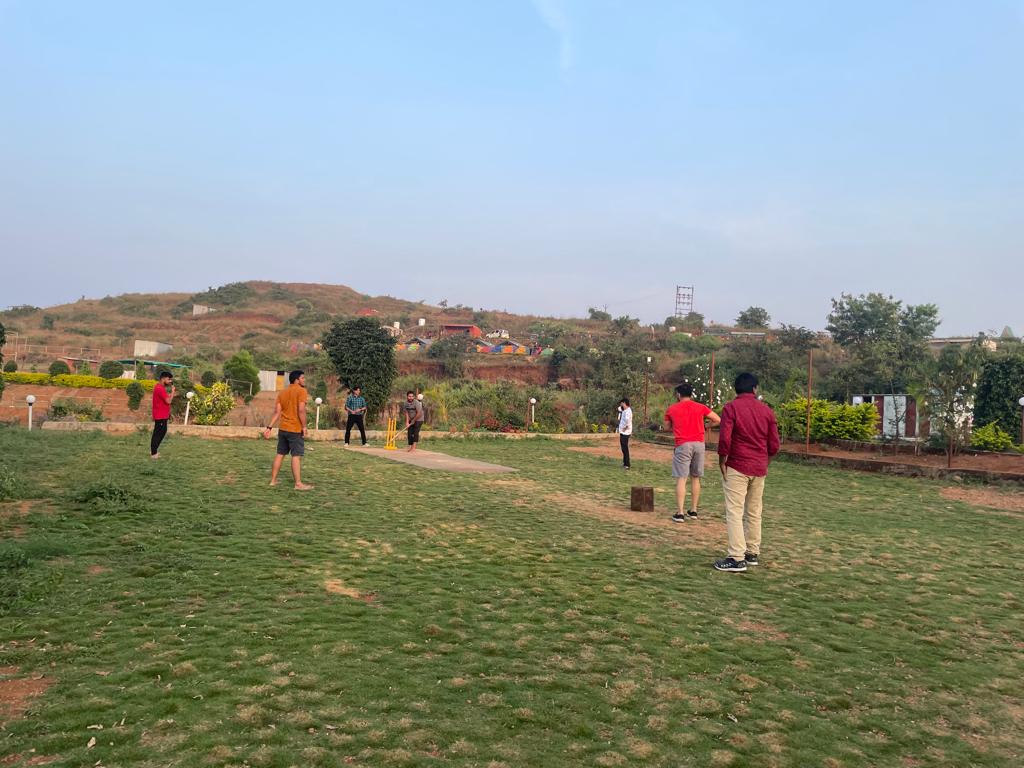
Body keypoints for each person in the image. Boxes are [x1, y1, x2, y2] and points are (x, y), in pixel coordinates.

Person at [714, 372, 779, 573]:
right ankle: (752, 552)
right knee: (754, 511)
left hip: (737, 465)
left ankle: (736, 557)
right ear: (754, 388)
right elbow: (774, 445)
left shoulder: (731, 408)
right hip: (759, 468)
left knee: (734, 511)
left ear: (736, 389)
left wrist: (722, 459)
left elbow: (725, 438)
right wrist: (765, 462)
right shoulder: (767, 411)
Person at [664, 382, 721, 522]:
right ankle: (694, 510)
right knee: (695, 477)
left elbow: (666, 427)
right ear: (691, 394)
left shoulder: (672, 409)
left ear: (678, 394)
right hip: (699, 444)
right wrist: (706, 426)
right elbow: (717, 419)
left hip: (683, 444)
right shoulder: (700, 407)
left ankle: (680, 513)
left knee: (681, 478)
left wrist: (676, 426)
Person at [264, 370, 313, 490]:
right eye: (302, 378)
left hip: (283, 429)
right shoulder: (302, 391)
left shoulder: (282, 392)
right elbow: (301, 410)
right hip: (295, 429)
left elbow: (277, 412)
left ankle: (273, 481)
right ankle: (298, 484)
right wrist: (304, 426)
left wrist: (269, 427)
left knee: (280, 454)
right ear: (296, 380)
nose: (304, 380)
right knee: (296, 456)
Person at [150, 370, 175, 459]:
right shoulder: (159, 388)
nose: (170, 381)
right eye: (168, 379)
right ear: (163, 379)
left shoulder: (160, 387)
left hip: (162, 415)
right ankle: (153, 453)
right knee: (157, 433)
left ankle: (154, 451)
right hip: (160, 415)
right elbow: (168, 401)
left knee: (162, 432)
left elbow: (166, 399)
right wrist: (173, 391)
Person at [616, 398, 633, 469]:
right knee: (623, 448)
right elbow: (619, 408)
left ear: (624, 403)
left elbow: (628, 422)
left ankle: (627, 465)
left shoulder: (628, 411)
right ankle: (625, 463)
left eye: (621, 403)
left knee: (625, 448)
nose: (621, 404)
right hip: (622, 432)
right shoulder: (624, 410)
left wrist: (624, 428)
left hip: (626, 432)